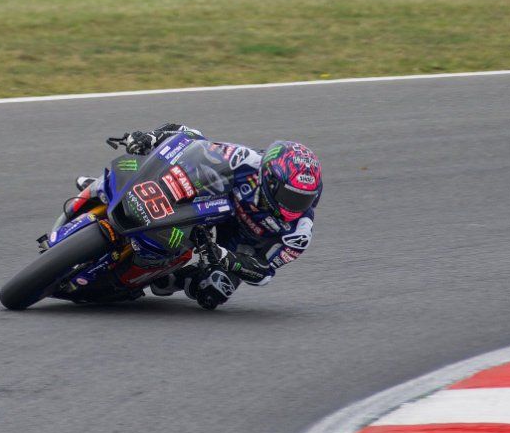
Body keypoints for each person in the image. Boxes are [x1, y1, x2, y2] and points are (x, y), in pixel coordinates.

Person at [61, 123, 321, 310]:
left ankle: (156, 276)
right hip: (214, 203)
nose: (295, 206)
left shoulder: (299, 233)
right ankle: (101, 188)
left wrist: (226, 258)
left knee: (213, 291)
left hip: (239, 245)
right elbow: (192, 138)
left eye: (303, 199)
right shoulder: (246, 160)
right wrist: (151, 138)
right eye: (291, 196)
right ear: (270, 179)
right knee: (144, 166)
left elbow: (264, 273)